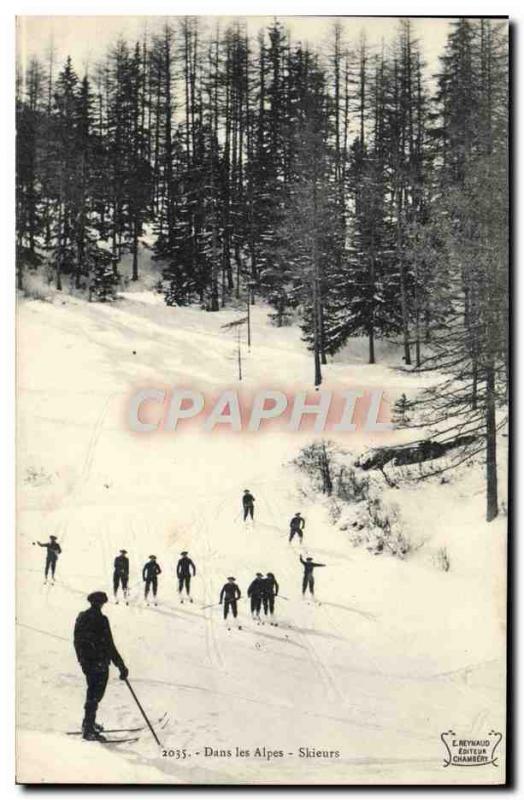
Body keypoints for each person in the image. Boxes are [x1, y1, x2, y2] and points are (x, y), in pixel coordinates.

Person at [73, 591, 128, 740]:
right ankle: (88, 728)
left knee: (92, 693)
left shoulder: (81, 617)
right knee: (95, 694)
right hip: (99, 663)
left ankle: (88, 722)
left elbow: (76, 640)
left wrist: (82, 660)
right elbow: (109, 644)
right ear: (101, 603)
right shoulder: (102, 620)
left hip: (88, 663)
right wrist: (121, 665)